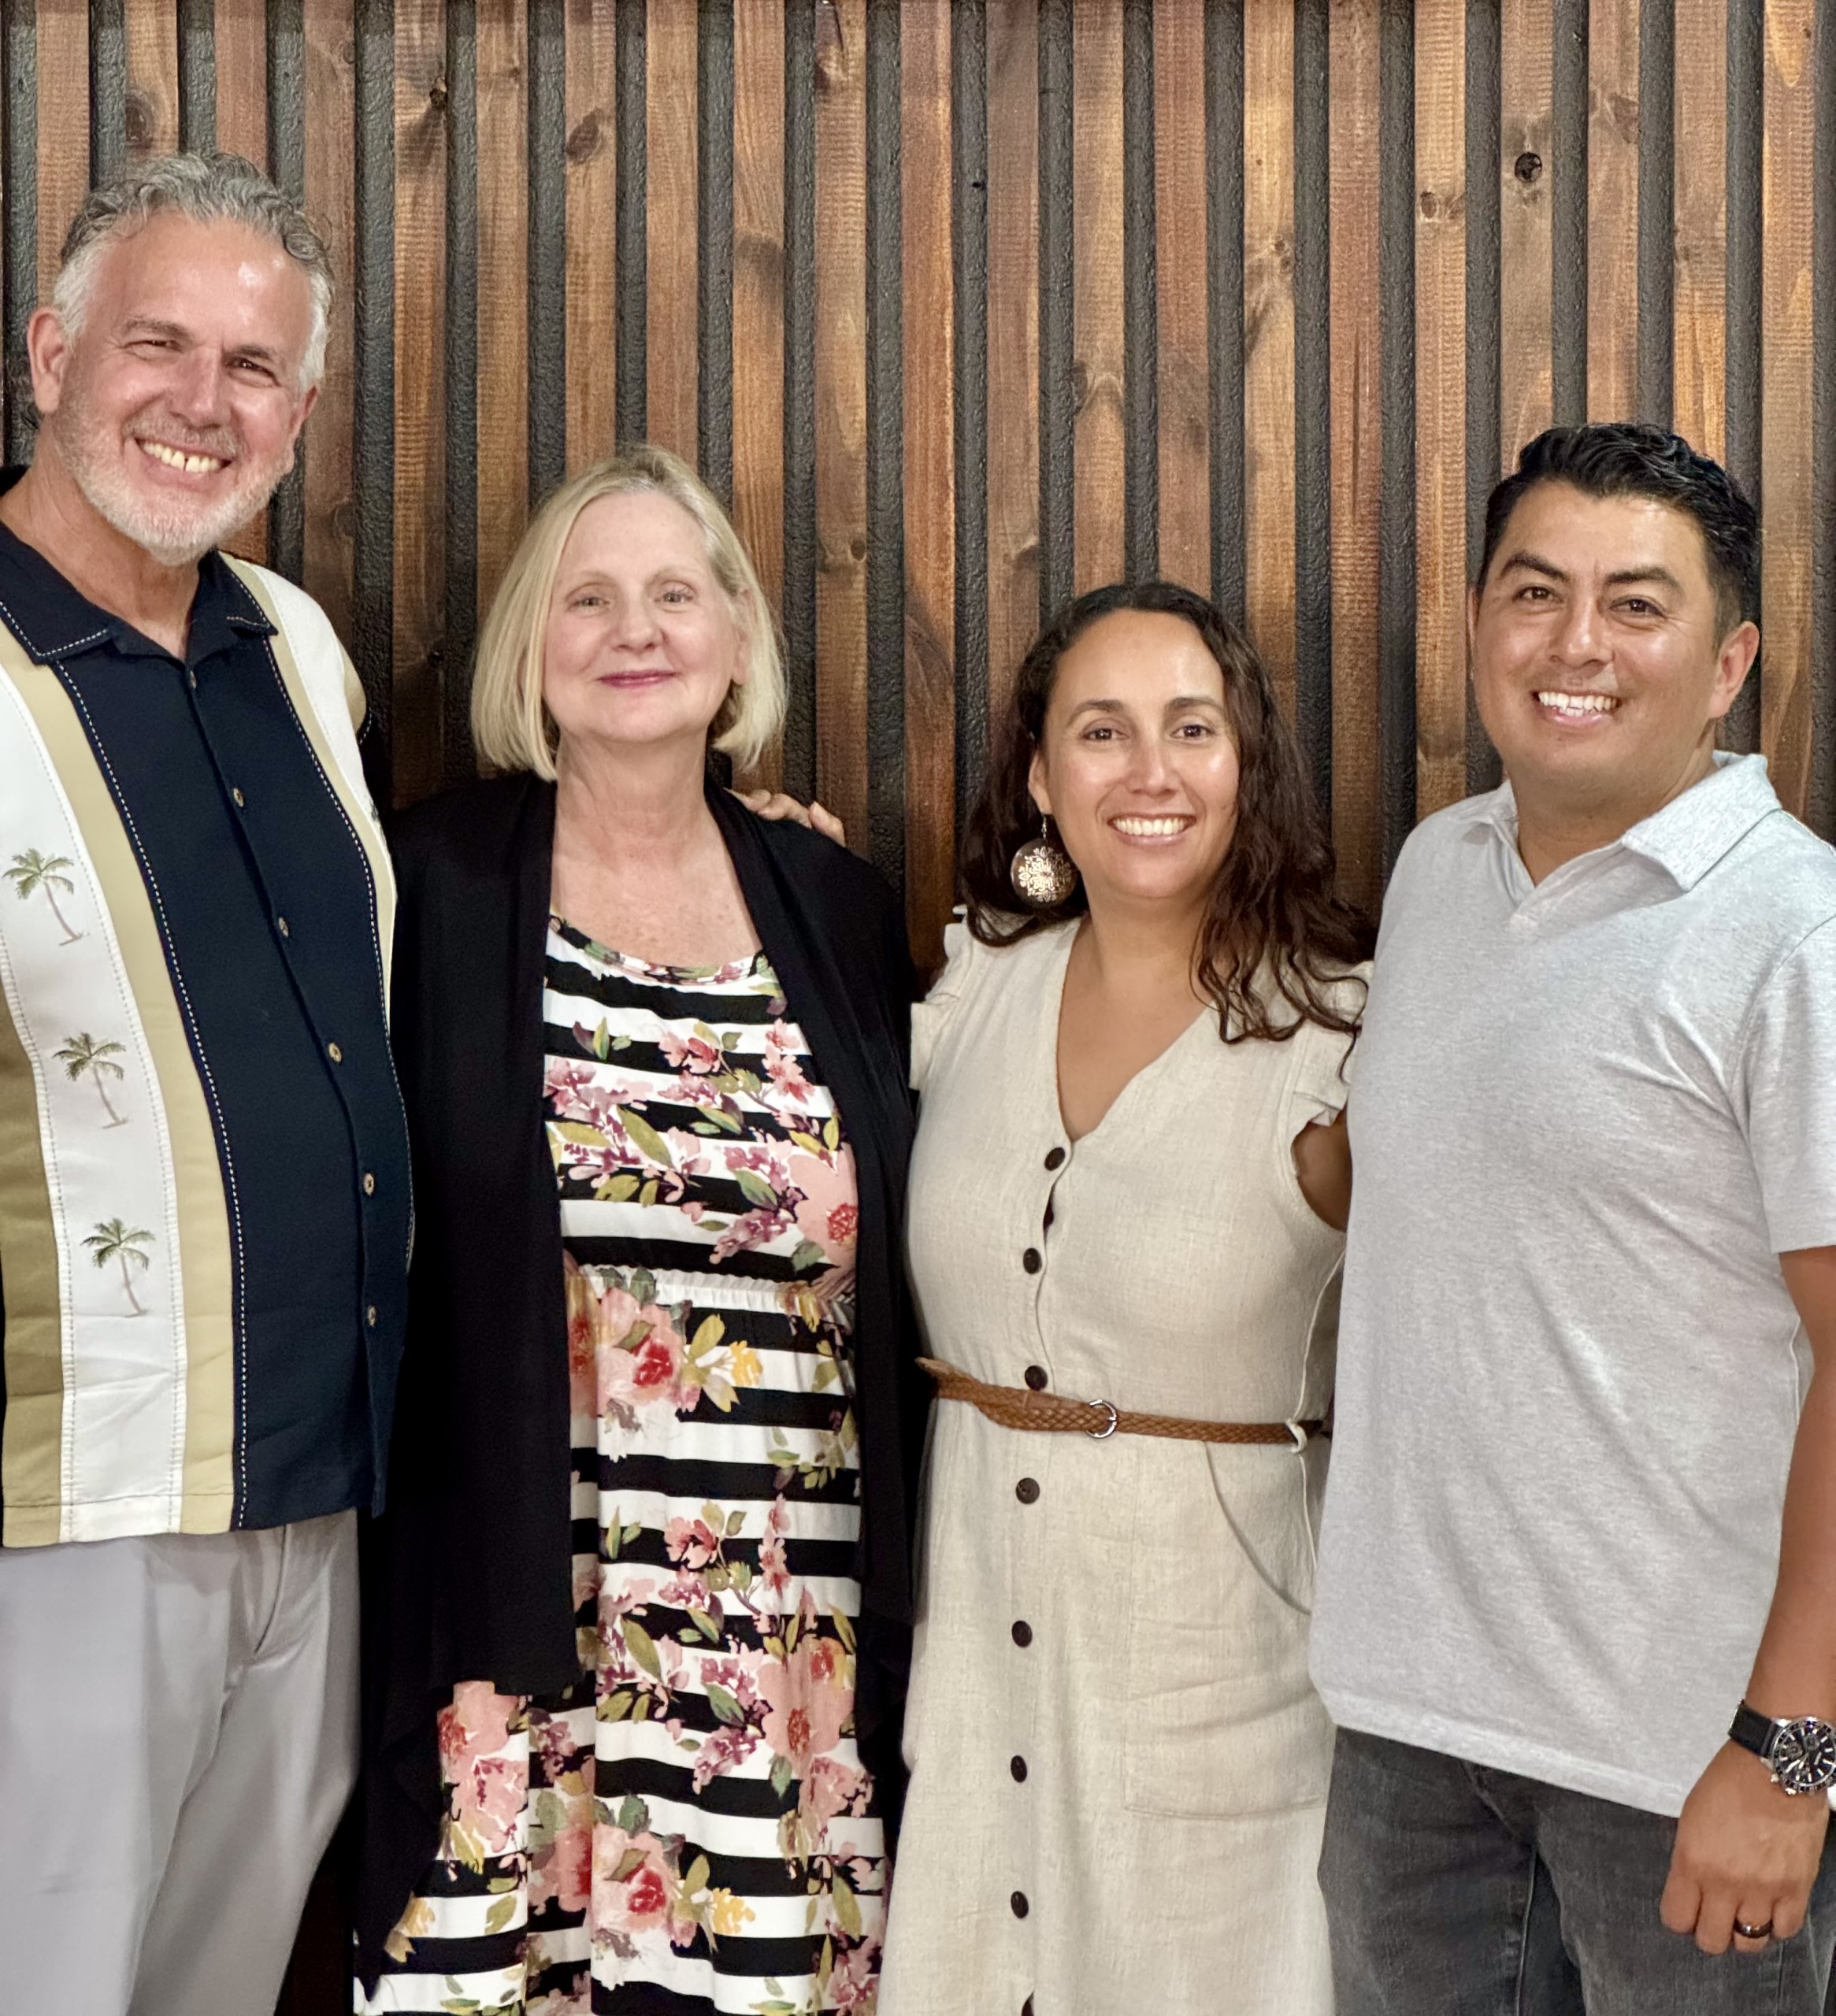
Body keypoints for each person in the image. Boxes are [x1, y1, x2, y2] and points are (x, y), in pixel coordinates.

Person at [354, 443, 924, 2014]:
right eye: (587, 596)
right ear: (530, 647)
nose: (634, 628)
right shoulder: (427, 885)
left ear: (736, 638)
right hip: (513, 1621)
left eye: (676, 593)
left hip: (775, 1635)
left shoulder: (836, 903)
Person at [1311, 424, 1836, 2013]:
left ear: (1728, 658)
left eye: (1635, 603)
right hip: (1407, 1742)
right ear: (1475, 623)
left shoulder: (1790, 932)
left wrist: (1789, 1750)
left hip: (1678, 1769)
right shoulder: (1434, 871)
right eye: (1534, 593)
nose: (1574, 645)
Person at [0, 154, 410, 2013]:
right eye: (155, 343)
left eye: (253, 367)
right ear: (49, 352)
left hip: (316, 1497)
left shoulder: (298, 651)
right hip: (60, 1518)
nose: (201, 402)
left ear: (302, 412)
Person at [878, 580, 1371, 2014]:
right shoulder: (976, 981)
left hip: (1224, 1704)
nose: (1149, 772)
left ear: (1245, 763)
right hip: (970, 1699)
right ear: (1041, 774)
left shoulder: (1341, 1032)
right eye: (1102, 731)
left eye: (1190, 729)